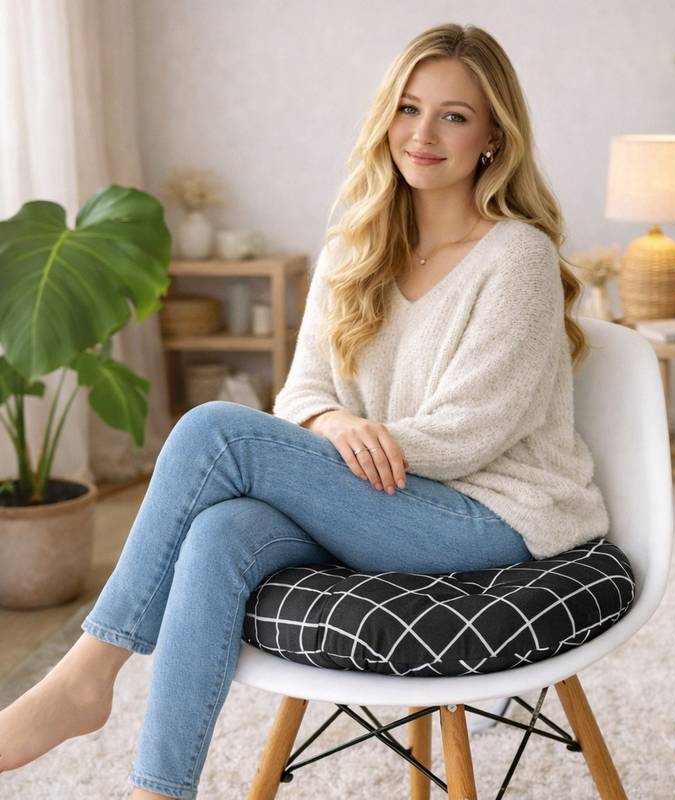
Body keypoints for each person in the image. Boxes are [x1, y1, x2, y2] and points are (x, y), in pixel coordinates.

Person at [0, 22, 610, 799]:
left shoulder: (515, 257)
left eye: (454, 116)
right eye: (409, 108)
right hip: (383, 498)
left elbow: (465, 438)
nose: (423, 134)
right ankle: (158, 791)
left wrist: (344, 443)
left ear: (493, 136)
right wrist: (334, 427)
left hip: (492, 514)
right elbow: (303, 396)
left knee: (213, 430)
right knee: (222, 530)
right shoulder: (355, 248)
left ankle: (86, 677)